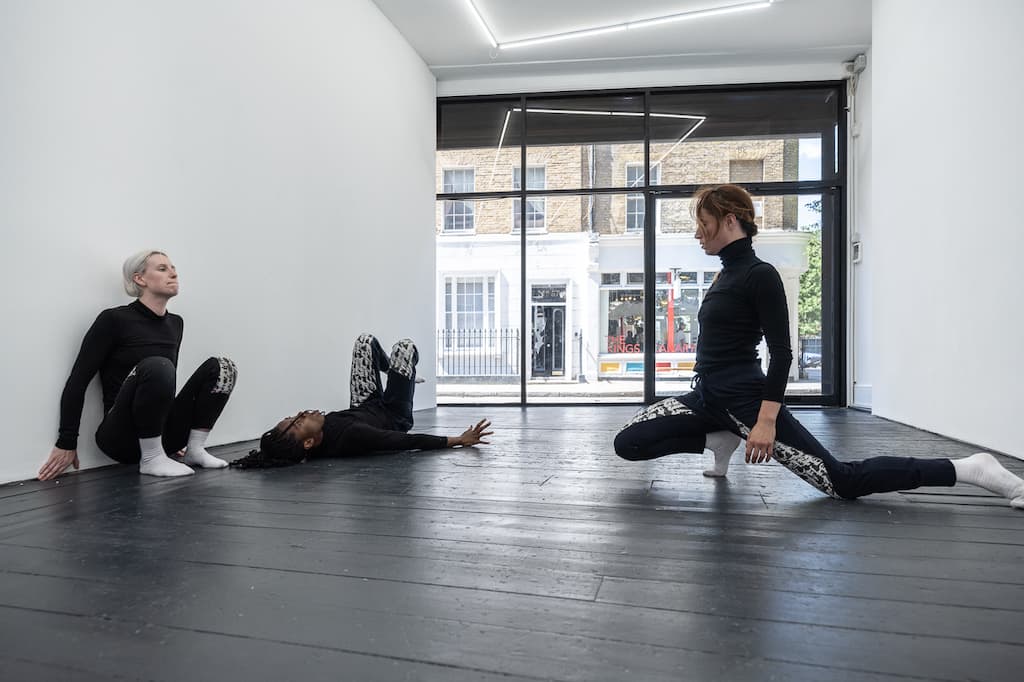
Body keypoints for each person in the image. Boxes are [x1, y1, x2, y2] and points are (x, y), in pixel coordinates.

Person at [614, 184, 1024, 509]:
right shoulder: (723, 276)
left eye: (704, 222)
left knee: (842, 481)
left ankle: (971, 469)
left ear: (730, 220)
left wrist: (765, 422)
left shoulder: (760, 275)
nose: (697, 232)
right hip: (706, 396)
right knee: (629, 442)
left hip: (745, 399)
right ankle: (718, 439)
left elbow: (783, 353)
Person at [38, 250, 237, 480]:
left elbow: (166, 385)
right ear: (139, 279)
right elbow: (78, 381)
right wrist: (66, 441)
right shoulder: (114, 320)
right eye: (162, 269)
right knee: (157, 365)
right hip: (119, 437)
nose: (173, 274)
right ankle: (152, 459)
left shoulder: (175, 323)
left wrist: (175, 435)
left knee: (223, 367)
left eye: (173, 269)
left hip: (161, 433)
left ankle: (194, 449)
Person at [230, 334, 491, 468]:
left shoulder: (314, 441)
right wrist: (458, 440)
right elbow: (406, 441)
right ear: (309, 442)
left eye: (295, 415)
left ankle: (393, 373)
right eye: (299, 422)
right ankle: (403, 376)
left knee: (365, 342)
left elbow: (277, 451)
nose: (302, 413)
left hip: (366, 405)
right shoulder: (352, 436)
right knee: (404, 348)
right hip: (394, 414)